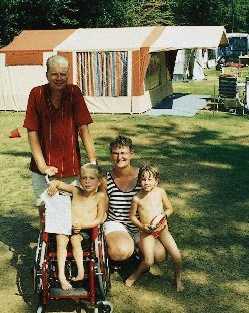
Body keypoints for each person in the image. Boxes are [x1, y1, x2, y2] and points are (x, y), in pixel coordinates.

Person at [23, 55, 97, 228]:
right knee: (45, 214)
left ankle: (69, 247)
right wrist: (42, 166)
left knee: (72, 212)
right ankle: (49, 248)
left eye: (63, 74)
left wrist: (92, 161)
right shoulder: (36, 94)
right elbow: (31, 132)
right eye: (54, 74)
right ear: (47, 74)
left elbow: (83, 129)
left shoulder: (74, 92)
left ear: (68, 75)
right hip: (43, 167)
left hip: (71, 166)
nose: (59, 78)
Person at [100, 136, 166, 267]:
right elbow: (103, 205)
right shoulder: (105, 179)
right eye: (115, 153)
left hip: (141, 225)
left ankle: (135, 250)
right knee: (120, 252)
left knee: (159, 255)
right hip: (116, 223)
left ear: (131, 153)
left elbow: (156, 202)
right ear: (110, 155)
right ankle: (126, 250)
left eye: (123, 153)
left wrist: (157, 223)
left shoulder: (143, 177)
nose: (119, 157)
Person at [46, 163, 107, 290]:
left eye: (91, 178)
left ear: (99, 181)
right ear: (80, 181)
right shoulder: (76, 191)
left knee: (74, 239)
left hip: (85, 230)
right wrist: (54, 183)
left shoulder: (100, 197)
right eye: (84, 178)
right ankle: (62, 276)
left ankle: (81, 271)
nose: (87, 181)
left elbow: (99, 219)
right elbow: (60, 184)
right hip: (67, 227)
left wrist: (83, 225)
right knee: (60, 238)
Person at [126, 164, 184, 292]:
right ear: (139, 180)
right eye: (143, 179)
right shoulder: (137, 198)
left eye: (150, 179)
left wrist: (163, 217)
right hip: (146, 232)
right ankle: (136, 274)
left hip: (163, 230)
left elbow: (169, 208)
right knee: (149, 260)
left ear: (156, 181)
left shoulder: (160, 192)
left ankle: (178, 280)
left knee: (177, 257)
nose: (146, 183)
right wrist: (142, 226)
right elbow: (132, 217)